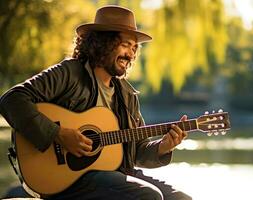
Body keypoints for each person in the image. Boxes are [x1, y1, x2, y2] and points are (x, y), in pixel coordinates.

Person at [0, 5, 192, 200]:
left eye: (135, 48)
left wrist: (163, 146)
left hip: (116, 176)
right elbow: (12, 100)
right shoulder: (69, 73)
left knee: (181, 199)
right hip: (72, 180)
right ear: (104, 42)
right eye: (126, 45)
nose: (131, 54)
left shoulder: (127, 95)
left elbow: (137, 152)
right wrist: (57, 134)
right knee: (148, 196)